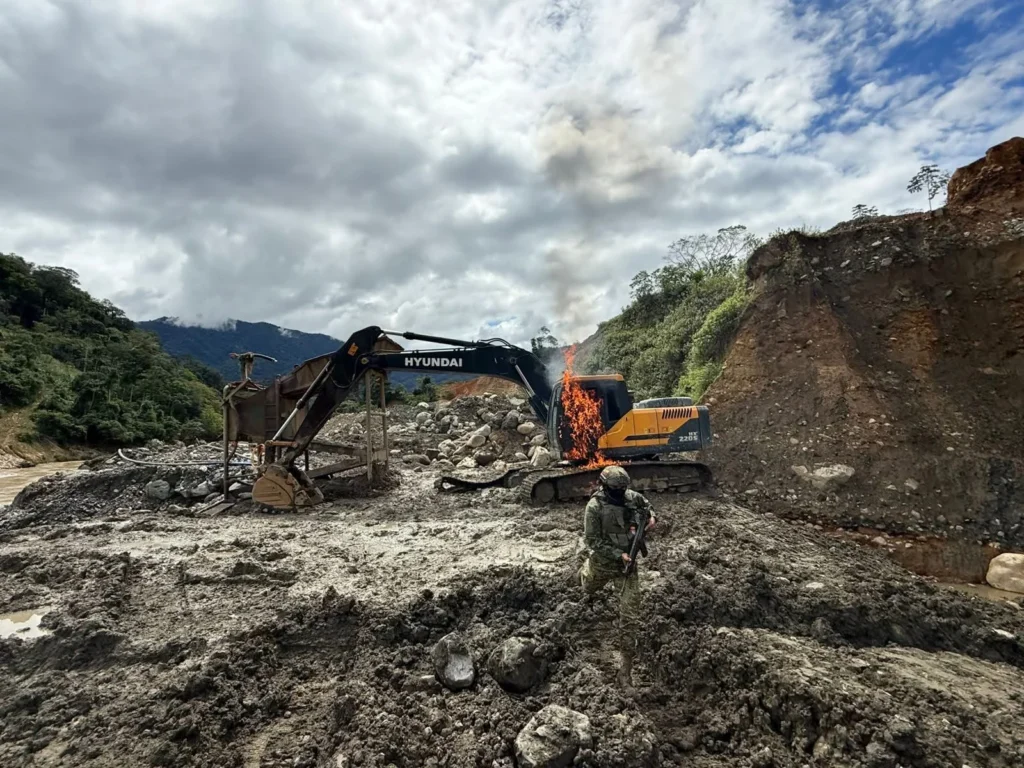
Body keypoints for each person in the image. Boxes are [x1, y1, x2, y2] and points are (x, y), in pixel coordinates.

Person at [578, 464, 657, 693]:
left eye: (623, 489)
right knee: (588, 586)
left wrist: (651, 518)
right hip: (603, 563)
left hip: (628, 568)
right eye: (616, 489)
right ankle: (582, 571)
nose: (620, 493)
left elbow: (648, 508)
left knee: (629, 617)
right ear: (605, 487)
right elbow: (592, 541)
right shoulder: (594, 507)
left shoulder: (632, 498)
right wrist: (617, 554)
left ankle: (625, 672)